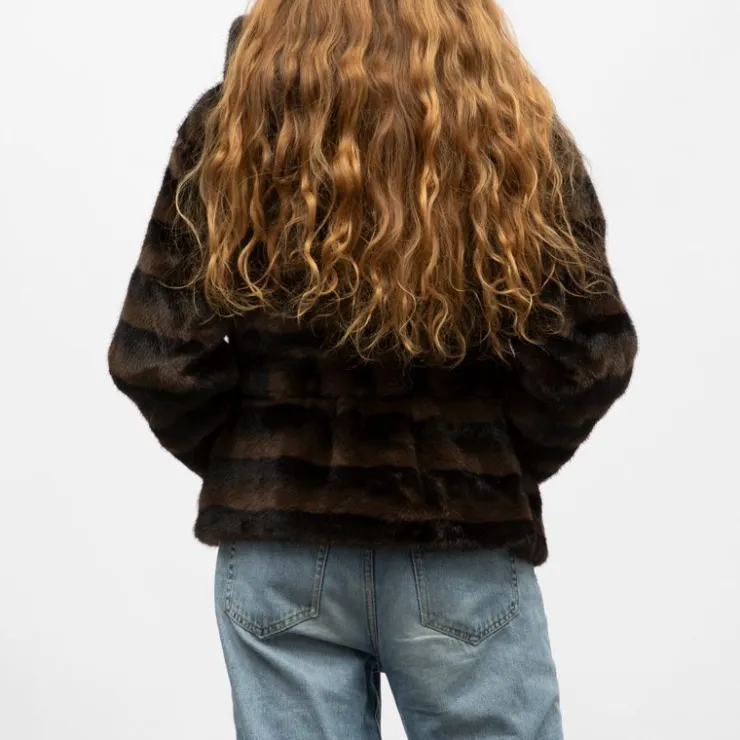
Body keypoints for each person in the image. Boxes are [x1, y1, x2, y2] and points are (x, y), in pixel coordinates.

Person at [107, 2, 637, 738]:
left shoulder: (230, 127)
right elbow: (587, 357)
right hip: (458, 548)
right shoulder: (507, 126)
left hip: (283, 557)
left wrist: (258, 464)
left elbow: (155, 358)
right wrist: (487, 465)